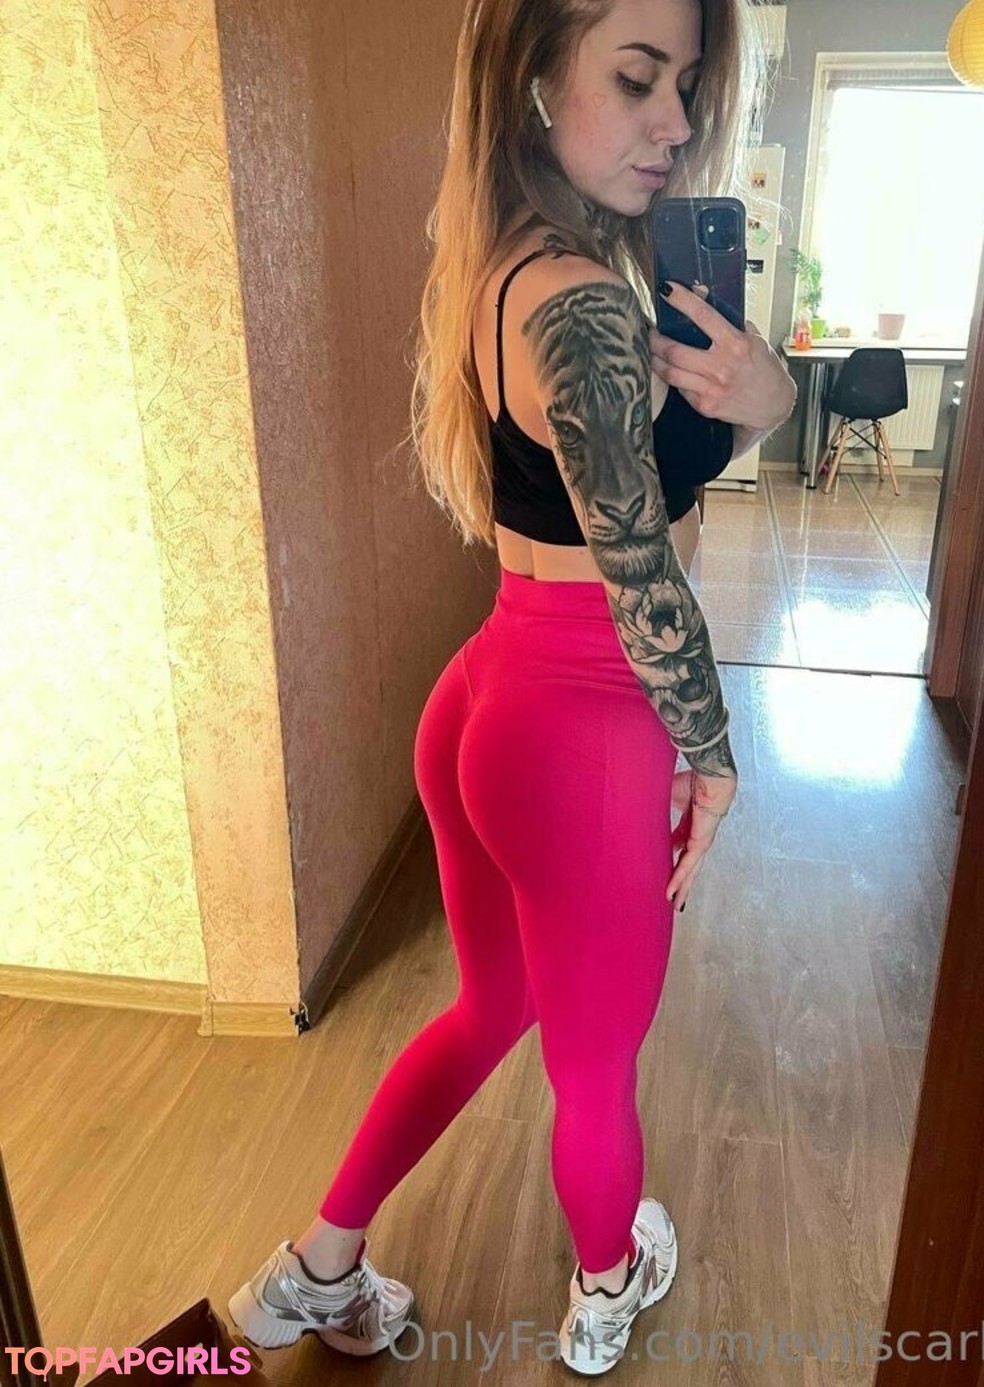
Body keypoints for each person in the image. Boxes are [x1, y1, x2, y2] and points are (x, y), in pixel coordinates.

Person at [227, 0, 796, 1374]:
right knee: (593, 1067)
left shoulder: (509, 264)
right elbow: (640, 572)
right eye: (637, 79)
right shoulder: (586, 305)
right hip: (583, 730)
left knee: (494, 1009)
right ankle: (606, 1288)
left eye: (686, 85)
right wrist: (713, 752)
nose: (673, 123)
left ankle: (316, 1271)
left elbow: (607, 498)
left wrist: (749, 405)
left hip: (488, 692)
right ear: (537, 80)